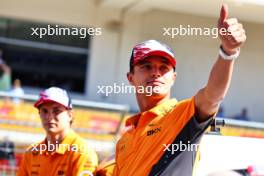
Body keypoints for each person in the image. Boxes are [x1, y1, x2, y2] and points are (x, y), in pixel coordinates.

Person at [112, 4, 246, 176]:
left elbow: (213, 96)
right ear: (130, 78)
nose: (155, 72)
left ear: (173, 78)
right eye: (146, 66)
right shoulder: (125, 140)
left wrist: (228, 52)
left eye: (164, 68)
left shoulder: (183, 115)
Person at [17, 87, 98, 176]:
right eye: (45, 111)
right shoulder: (31, 153)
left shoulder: (82, 152)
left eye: (56, 111)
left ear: (70, 115)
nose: (49, 117)